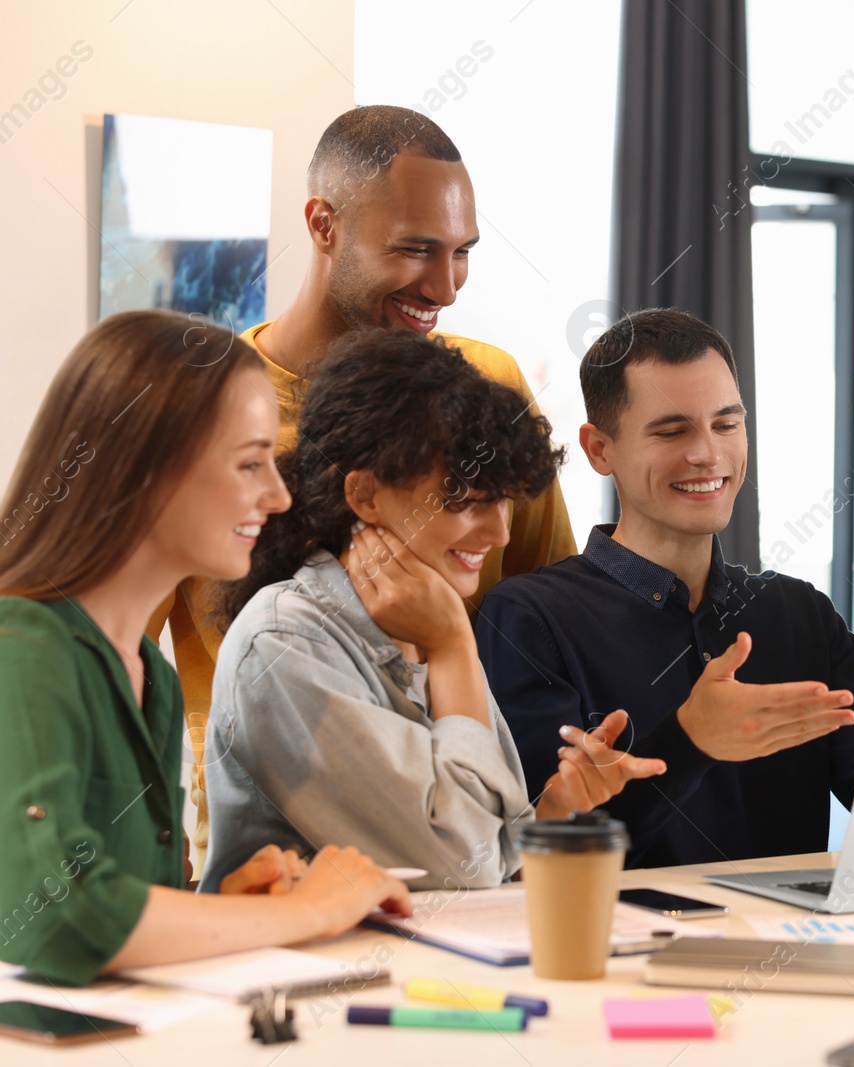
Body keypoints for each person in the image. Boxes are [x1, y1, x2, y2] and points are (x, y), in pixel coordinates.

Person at [150, 105, 578, 867]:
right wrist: (159, 889)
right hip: (284, 872)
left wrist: (542, 805)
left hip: (462, 854)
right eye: (416, 249)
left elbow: (545, 628)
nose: (445, 286)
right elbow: (119, 657)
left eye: (462, 253)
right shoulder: (194, 417)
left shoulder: (486, 387)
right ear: (323, 225)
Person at [0, 311, 410, 986]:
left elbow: (113, 927)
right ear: (143, 469)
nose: (278, 495)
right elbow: (52, 915)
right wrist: (308, 910)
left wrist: (220, 907)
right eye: (250, 462)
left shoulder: (150, 677)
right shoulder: (24, 650)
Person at [201, 331, 662, 893]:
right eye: (465, 499)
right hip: (314, 975)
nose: (499, 533)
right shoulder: (283, 642)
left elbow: (487, 860)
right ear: (366, 496)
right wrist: (453, 650)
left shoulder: (425, 618)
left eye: (504, 499)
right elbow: (455, 865)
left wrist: (553, 812)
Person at [476, 308, 854, 867]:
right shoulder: (527, 618)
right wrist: (690, 740)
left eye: (727, 424)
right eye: (672, 430)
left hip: (794, 945)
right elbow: (550, 855)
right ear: (599, 449)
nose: (707, 454)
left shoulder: (800, 613)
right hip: (621, 947)